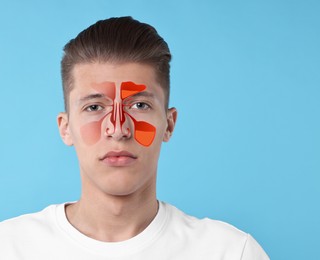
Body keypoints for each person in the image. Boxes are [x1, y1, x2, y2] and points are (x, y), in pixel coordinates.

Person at [0, 16, 269, 259]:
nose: (118, 129)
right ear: (65, 127)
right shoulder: (10, 247)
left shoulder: (231, 252)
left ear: (169, 124)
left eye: (139, 105)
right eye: (94, 107)